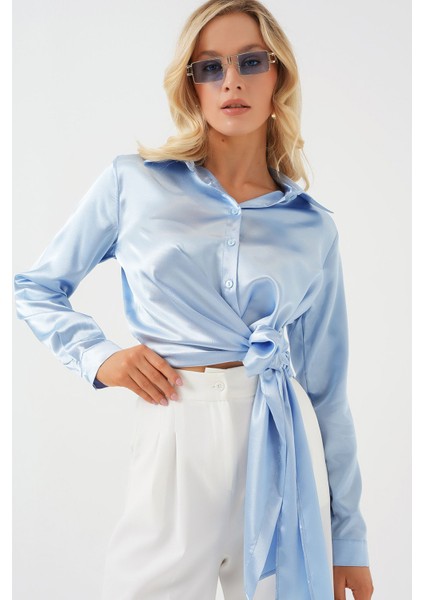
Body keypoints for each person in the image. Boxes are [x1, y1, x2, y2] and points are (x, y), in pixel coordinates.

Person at [14, 0, 374, 598]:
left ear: (278, 75)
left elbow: (329, 392)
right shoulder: (134, 182)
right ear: (192, 86)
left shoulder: (313, 226)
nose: (231, 81)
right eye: (210, 67)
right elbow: (36, 288)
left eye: (250, 62)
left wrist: (349, 540)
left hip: (280, 438)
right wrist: (101, 358)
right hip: (174, 428)